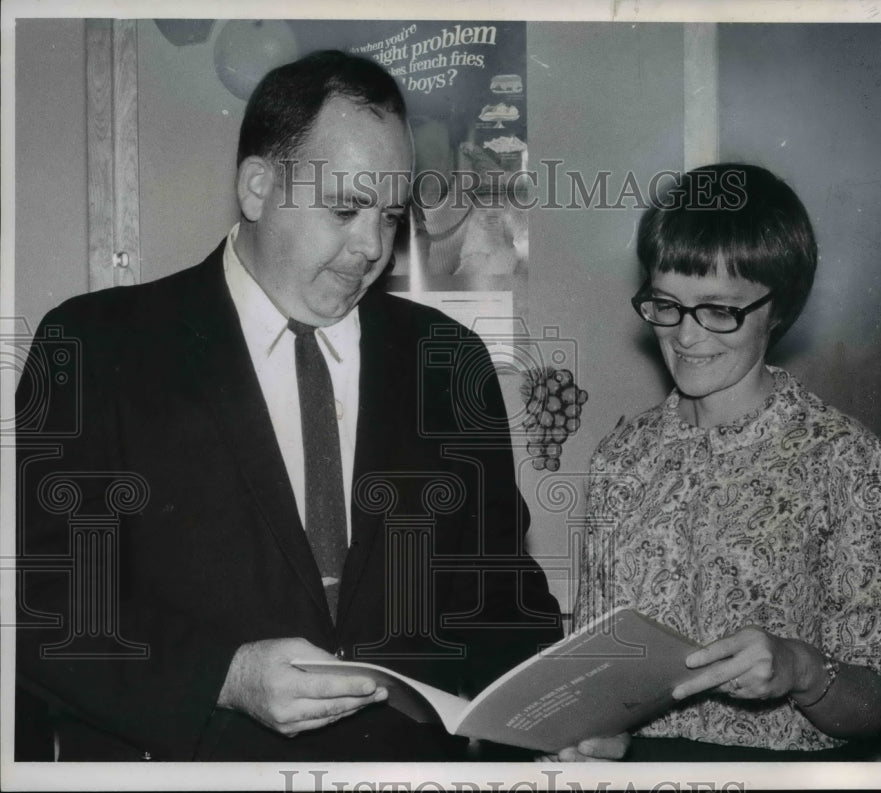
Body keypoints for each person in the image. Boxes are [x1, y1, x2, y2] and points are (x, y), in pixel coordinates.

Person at [15, 50, 567, 762]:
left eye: (392, 214)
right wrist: (224, 675)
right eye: (345, 207)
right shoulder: (94, 346)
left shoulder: (448, 360)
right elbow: (43, 603)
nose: (371, 246)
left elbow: (502, 604)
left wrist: (555, 710)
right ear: (256, 187)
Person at [574, 163, 881, 761]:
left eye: (720, 310)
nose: (687, 336)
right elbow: (595, 671)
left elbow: (874, 703)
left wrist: (800, 667)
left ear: (778, 309)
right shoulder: (621, 458)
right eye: (666, 304)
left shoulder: (843, 457)